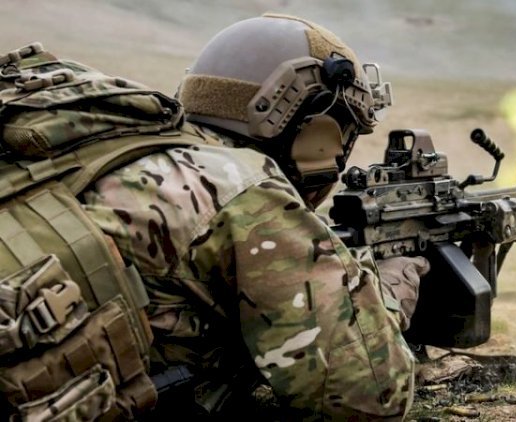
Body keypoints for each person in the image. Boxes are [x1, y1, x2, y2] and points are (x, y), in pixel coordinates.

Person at [80, 13, 429, 420]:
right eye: (340, 133)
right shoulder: (241, 189)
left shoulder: (128, 154)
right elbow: (368, 399)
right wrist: (386, 291)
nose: (336, 155)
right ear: (313, 131)